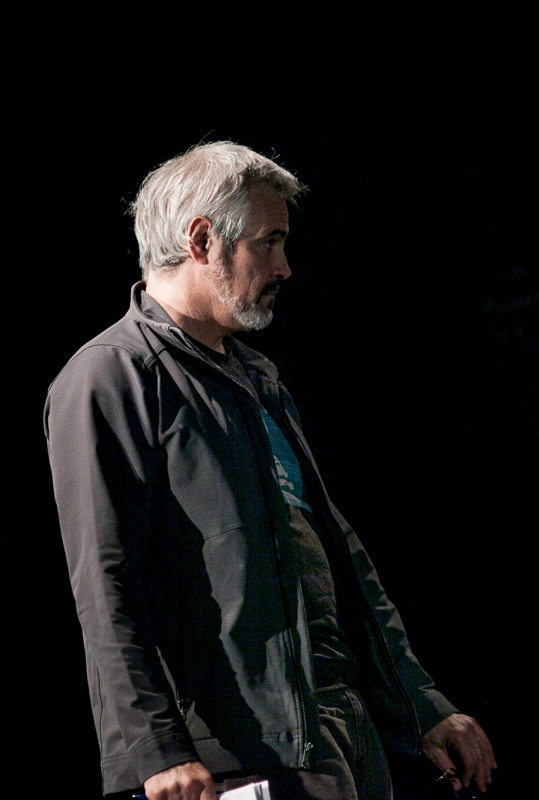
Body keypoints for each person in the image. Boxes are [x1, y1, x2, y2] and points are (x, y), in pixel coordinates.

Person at [44, 141, 497, 800]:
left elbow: (336, 557)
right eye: (269, 242)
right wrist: (156, 749)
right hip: (232, 753)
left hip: (334, 735)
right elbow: (106, 585)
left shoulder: (258, 380)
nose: (285, 266)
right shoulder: (112, 376)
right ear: (201, 239)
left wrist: (420, 703)